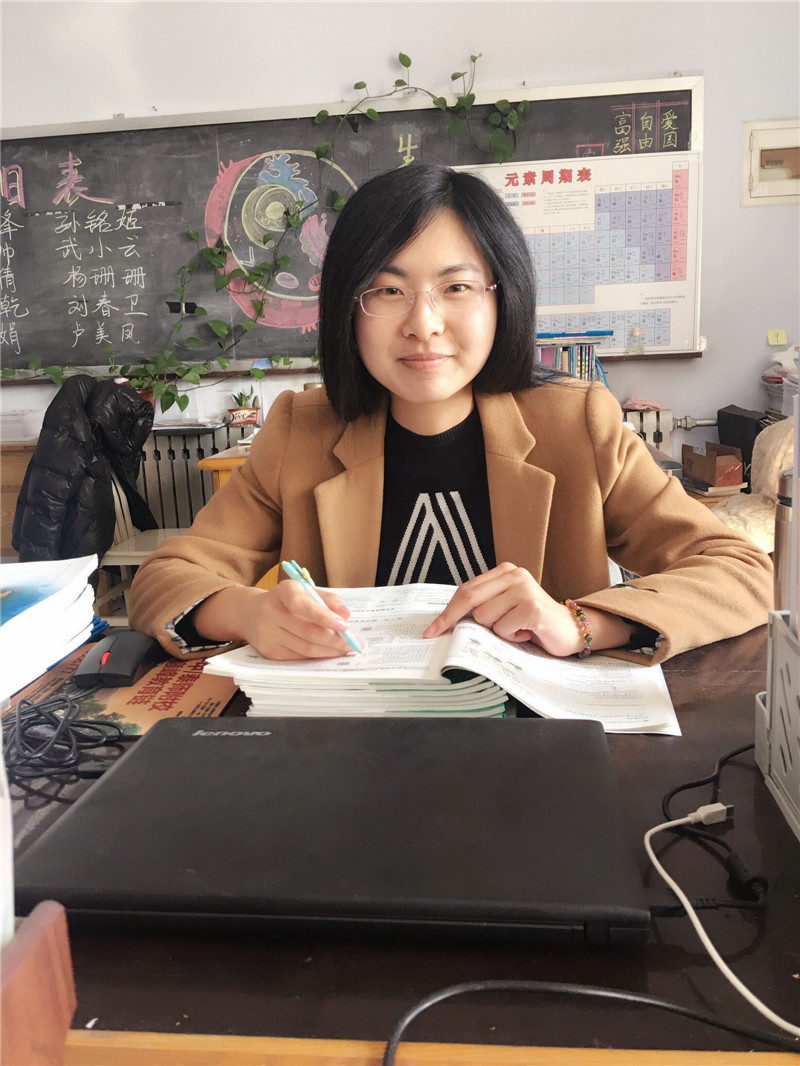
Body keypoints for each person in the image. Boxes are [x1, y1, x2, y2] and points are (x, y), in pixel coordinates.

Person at [129, 165, 772, 666]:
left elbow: (740, 571)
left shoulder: (577, 425)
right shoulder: (303, 429)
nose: (423, 324)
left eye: (456, 287)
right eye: (388, 290)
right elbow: (164, 579)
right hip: (357, 746)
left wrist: (580, 622)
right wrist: (249, 612)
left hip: (536, 747)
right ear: (348, 308)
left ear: (501, 297)